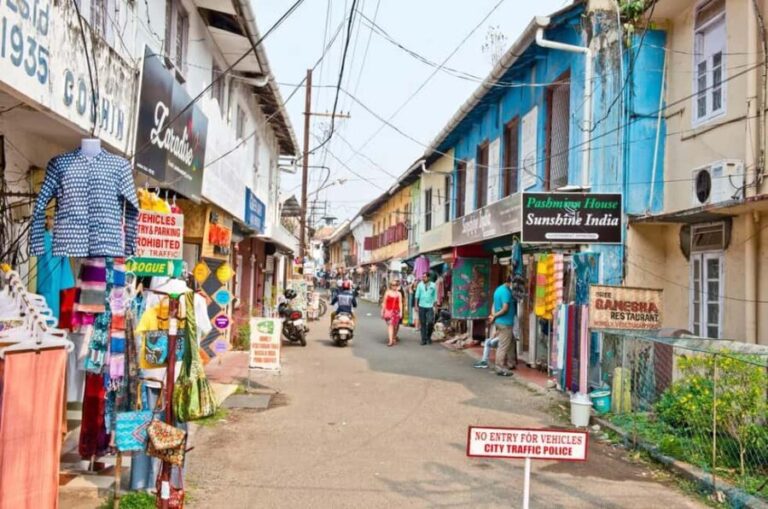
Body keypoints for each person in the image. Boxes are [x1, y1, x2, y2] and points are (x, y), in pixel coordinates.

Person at [489, 274, 518, 376]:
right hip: (505, 323)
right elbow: (505, 308)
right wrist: (495, 316)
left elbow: (494, 303)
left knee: (511, 342)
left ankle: (511, 363)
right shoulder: (506, 292)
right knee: (504, 345)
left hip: (502, 322)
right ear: (511, 283)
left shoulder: (499, 289)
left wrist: (493, 315)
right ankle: (499, 367)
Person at [415, 272, 437, 345]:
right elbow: (417, 296)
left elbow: (435, 296)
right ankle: (423, 339)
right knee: (423, 323)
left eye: (424, 277)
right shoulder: (420, 285)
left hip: (430, 306)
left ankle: (428, 336)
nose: (423, 278)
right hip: (421, 306)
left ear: (428, 278)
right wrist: (416, 305)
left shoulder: (433, 285)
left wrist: (436, 307)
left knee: (430, 322)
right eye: (422, 277)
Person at [381, 279, 404, 347]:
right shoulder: (387, 293)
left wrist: (401, 312)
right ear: (390, 286)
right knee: (390, 325)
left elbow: (400, 303)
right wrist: (382, 310)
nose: (394, 287)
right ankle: (390, 341)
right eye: (393, 285)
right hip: (388, 311)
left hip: (396, 312)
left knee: (395, 326)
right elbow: (384, 302)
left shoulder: (399, 293)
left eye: (396, 285)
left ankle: (394, 337)